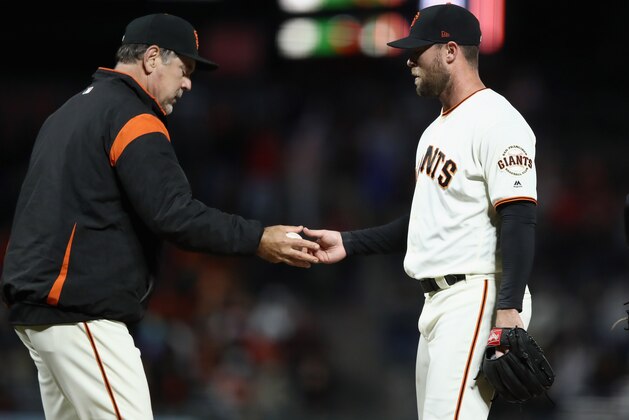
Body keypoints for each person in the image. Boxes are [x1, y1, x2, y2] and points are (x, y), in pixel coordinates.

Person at [0, 13, 320, 419]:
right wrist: (258, 238)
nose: (188, 83)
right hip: (80, 313)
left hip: (45, 310)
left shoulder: (66, 114)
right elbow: (175, 214)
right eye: (183, 69)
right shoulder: (132, 116)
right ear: (152, 58)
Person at [305, 4, 538, 419]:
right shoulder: (435, 129)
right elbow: (421, 224)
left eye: (419, 50)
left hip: (477, 296)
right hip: (436, 303)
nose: (409, 60)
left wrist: (508, 312)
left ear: (450, 52)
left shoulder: (498, 120)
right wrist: (348, 241)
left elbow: (519, 218)